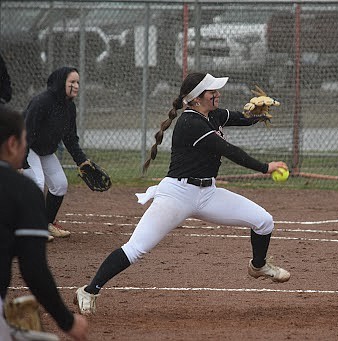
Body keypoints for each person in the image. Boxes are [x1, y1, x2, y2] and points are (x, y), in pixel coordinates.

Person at [74, 72, 291, 315]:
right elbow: (228, 150)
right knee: (136, 248)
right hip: (177, 195)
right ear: (197, 98)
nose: (217, 94)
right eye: (212, 92)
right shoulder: (190, 123)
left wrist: (255, 116)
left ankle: (258, 266)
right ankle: (89, 290)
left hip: (208, 194)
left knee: (263, 221)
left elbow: (239, 118)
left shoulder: (211, 114)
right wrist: (265, 168)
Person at [0, 104, 88, 340]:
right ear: (11, 144)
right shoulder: (21, 190)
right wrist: (67, 322)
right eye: (24, 140)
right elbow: (33, 270)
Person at [23, 66, 91, 239]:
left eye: (78, 82)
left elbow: (70, 138)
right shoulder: (42, 102)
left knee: (60, 184)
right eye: (72, 82)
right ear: (62, 83)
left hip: (45, 150)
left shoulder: (69, 107)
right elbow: (26, 131)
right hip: (27, 147)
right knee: (37, 183)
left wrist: (81, 161)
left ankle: (46, 223)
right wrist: (20, 161)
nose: (76, 86)